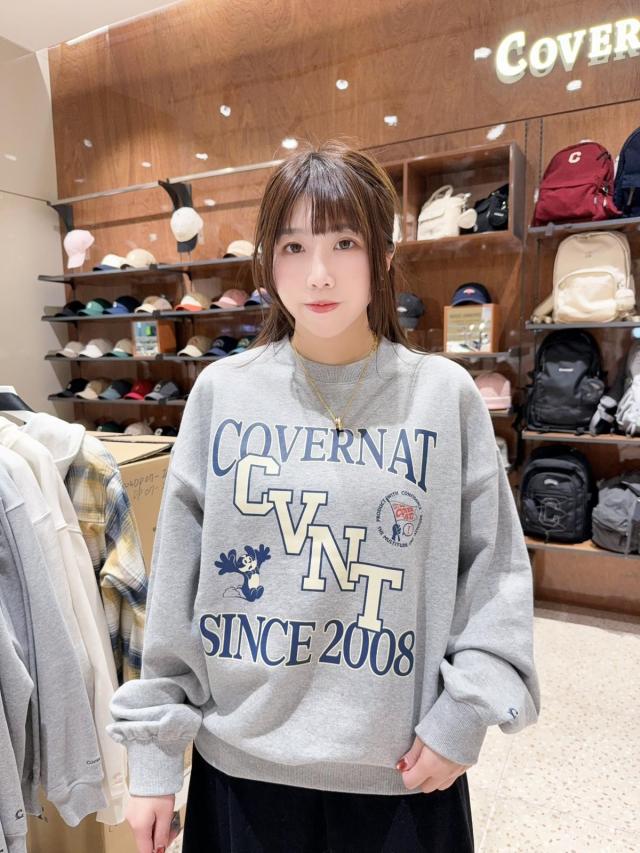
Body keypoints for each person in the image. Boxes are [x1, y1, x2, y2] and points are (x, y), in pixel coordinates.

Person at [108, 140, 540, 853]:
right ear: (267, 261)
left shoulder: (442, 395)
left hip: (401, 773)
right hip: (242, 768)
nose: (318, 273)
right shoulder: (222, 393)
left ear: (383, 255)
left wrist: (465, 713)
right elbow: (178, 582)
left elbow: (494, 572)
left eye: (344, 242)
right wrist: (154, 754)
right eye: (293, 246)